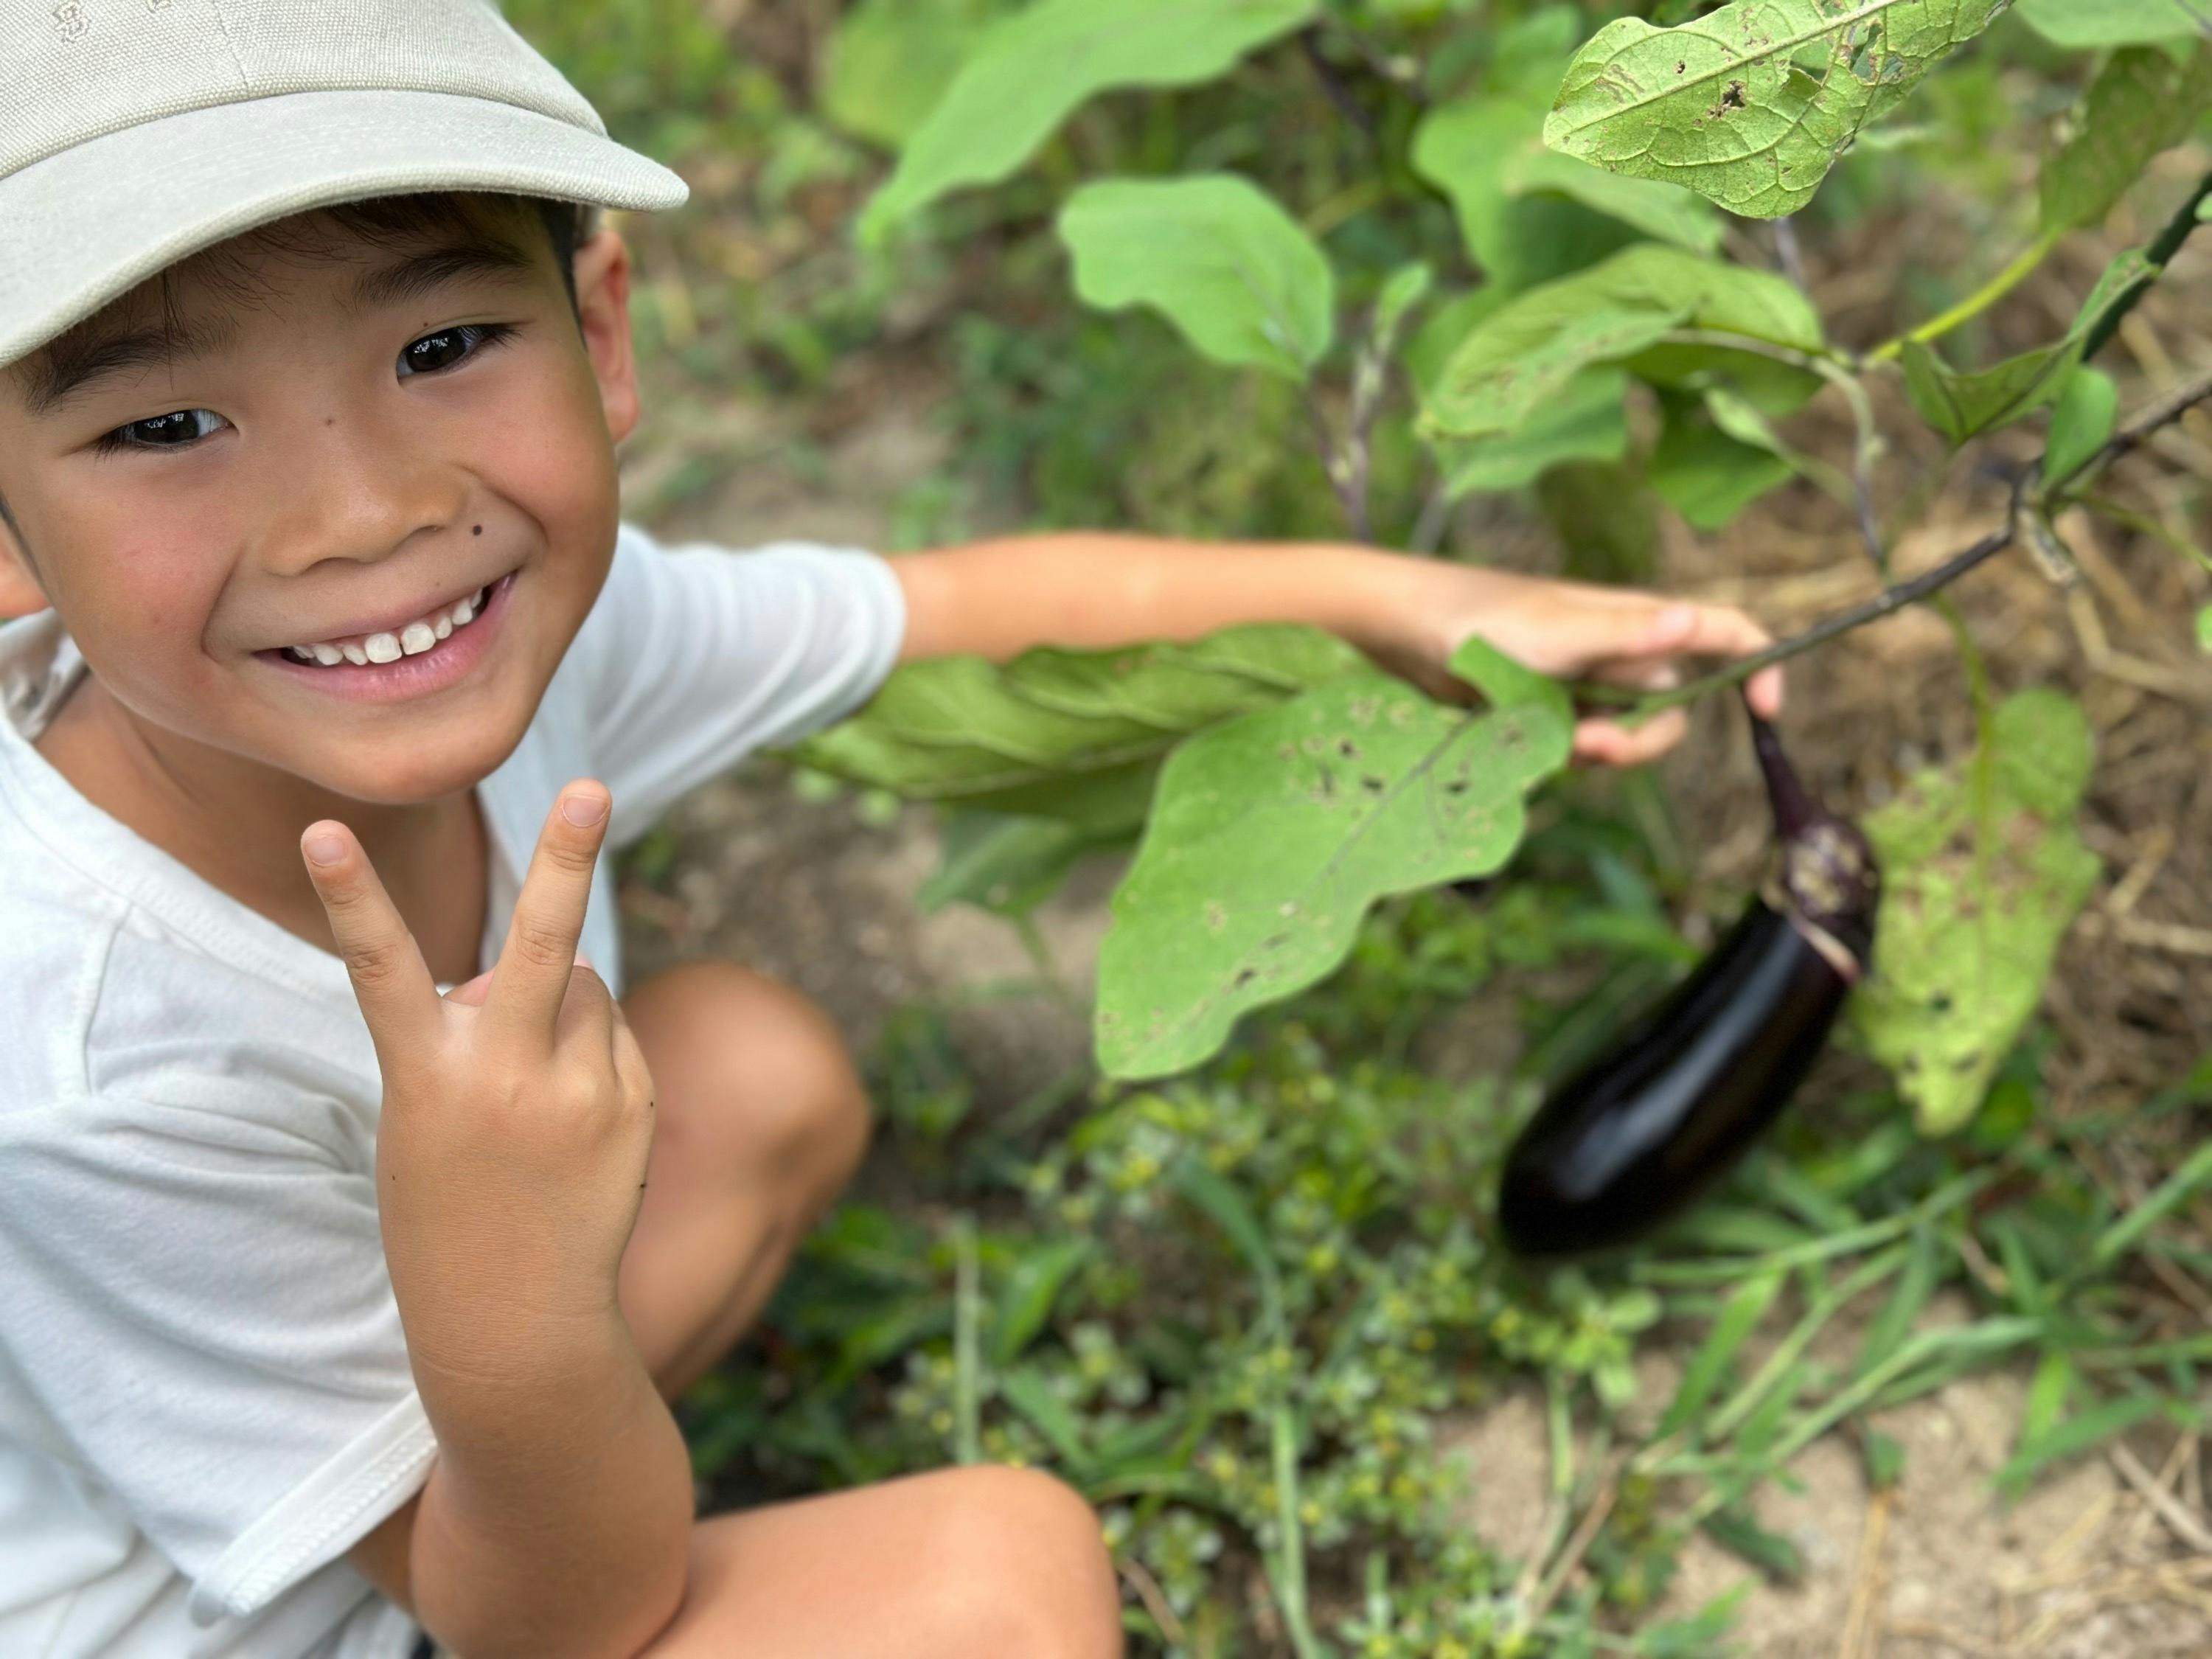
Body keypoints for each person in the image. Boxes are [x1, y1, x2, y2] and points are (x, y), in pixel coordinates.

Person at [0, 4, 1784, 1656]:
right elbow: (545, 1616)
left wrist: (1396, 599)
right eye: (167, 421)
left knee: (753, 1076)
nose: (365, 510)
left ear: (602, 331)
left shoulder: (523, 625)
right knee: (995, 1583)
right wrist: (514, 1304)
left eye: (442, 344)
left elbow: (937, 610)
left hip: (419, 1458)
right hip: (242, 1615)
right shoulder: (83, 1059)